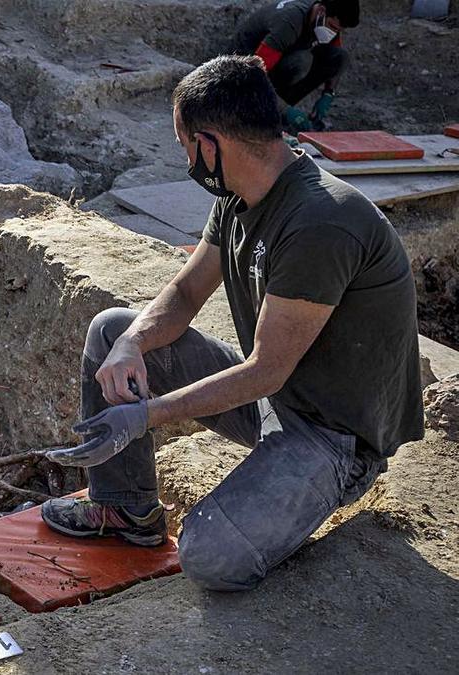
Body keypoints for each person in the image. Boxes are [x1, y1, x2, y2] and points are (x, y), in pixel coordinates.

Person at [41, 55, 423, 591]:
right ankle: (126, 510)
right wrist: (131, 342)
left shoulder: (321, 222)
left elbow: (265, 370)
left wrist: (146, 415)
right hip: (279, 398)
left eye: (185, 145)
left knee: (211, 556)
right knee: (111, 328)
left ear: (210, 142)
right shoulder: (239, 198)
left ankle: (305, 500)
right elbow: (186, 291)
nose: (186, 160)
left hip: (332, 437)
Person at [231, 0, 360, 132]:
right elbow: (254, 74)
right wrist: (285, 109)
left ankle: (276, 111)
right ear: (321, 10)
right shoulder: (289, 23)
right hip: (244, 74)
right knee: (301, 62)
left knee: (340, 56)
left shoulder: (324, 20)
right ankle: (264, 112)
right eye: (332, 27)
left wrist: (328, 94)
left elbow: (336, 57)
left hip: (272, 66)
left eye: (338, 30)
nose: (333, 33)